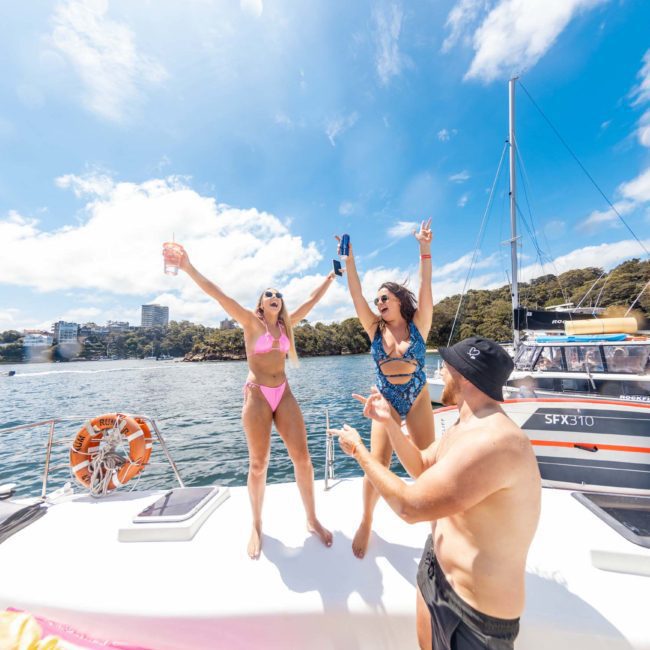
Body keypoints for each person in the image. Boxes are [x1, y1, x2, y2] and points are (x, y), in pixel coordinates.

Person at [329, 337, 541, 649]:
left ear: (464, 377)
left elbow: (409, 508)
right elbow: (423, 465)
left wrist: (360, 452)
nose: (440, 372)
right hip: (435, 569)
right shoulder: (465, 425)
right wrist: (389, 422)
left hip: (475, 614)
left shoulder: (495, 441)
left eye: (447, 366)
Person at [163, 244, 335, 559]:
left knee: (304, 459)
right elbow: (219, 295)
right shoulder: (249, 322)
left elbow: (311, 300)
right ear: (260, 302)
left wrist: (331, 277)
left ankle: (311, 519)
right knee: (258, 464)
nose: (275, 296)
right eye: (269, 294)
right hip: (256, 394)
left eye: (278, 294)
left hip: (283, 392)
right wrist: (187, 267)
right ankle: (256, 524)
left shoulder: (287, 325)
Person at [337, 219, 434, 558]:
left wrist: (424, 249)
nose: (378, 303)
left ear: (398, 301)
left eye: (384, 298)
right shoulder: (373, 328)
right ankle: (366, 520)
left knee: (427, 463)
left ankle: (438, 523)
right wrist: (349, 262)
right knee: (378, 463)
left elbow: (425, 286)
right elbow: (355, 292)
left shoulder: (420, 323)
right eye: (377, 300)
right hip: (386, 400)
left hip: (418, 395)